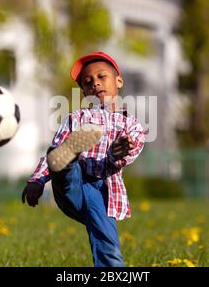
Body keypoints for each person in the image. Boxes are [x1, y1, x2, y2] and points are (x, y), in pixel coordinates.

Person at [22, 51, 146, 267]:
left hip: (103, 192)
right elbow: (51, 152)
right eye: (87, 83)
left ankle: (67, 158)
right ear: (84, 92)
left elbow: (132, 151)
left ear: (119, 80)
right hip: (76, 182)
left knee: (109, 246)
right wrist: (37, 180)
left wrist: (118, 153)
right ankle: (68, 158)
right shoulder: (77, 117)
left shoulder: (132, 125)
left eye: (101, 77)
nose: (95, 85)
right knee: (63, 162)